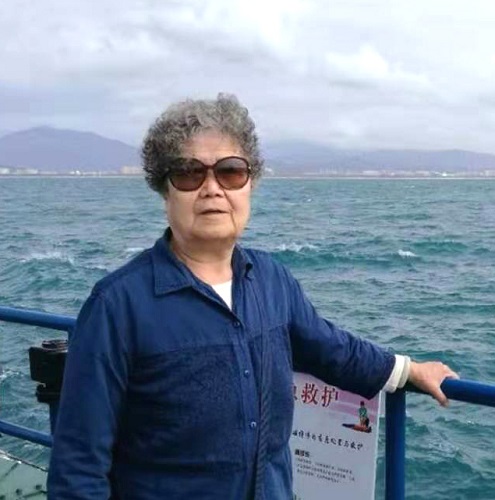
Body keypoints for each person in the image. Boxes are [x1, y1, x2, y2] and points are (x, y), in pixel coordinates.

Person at [47, 93, 459, 499]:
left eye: (230, 172)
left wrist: (407, 370)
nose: (211, 189)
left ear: (250, 184)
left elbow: (329, 347)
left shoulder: (271, 280)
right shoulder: (117, 306)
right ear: (164, 191)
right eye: (189, 173)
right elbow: (79, 466)